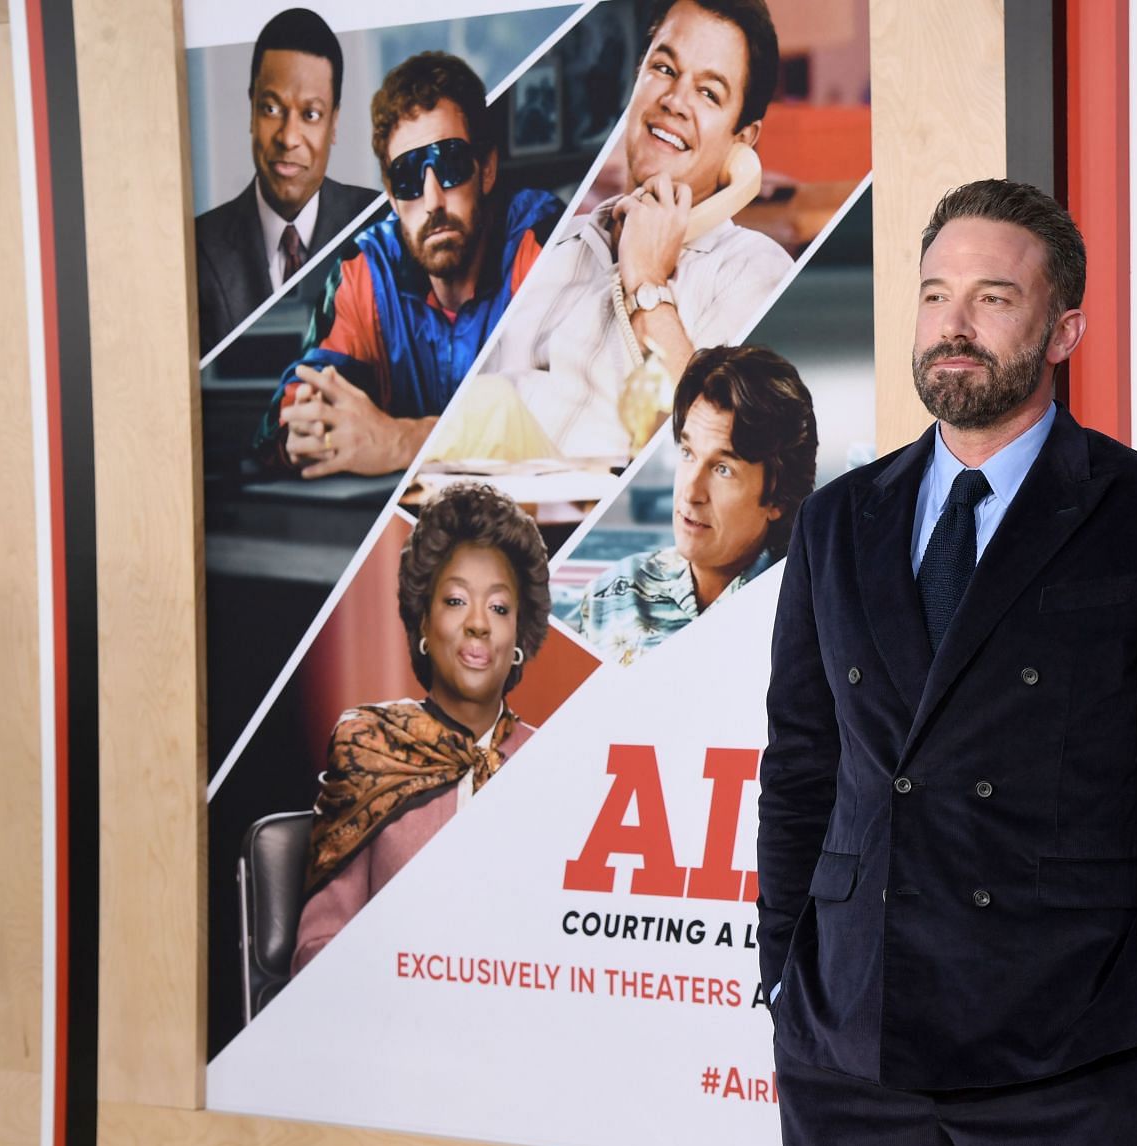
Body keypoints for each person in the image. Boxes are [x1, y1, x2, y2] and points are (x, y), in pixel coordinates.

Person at [755, 179, 1137, 1146]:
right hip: (853, 1039)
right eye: (937, 293)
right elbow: (802, 757)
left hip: (1067, 1043)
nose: (954, 323)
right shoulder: (840, 518)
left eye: (993, 296)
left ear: (1062, 328)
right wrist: (781, 968)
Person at [484, 0, 794, 457]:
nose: (674, 101)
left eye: (709, 93)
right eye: (665, 69)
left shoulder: (754, 274)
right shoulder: (548, 247)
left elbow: (712, 447)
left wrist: (648, 284)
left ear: (742, 141)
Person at [253, 52, 565, 477]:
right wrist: (305, 426)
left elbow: (574, 420)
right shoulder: (364, 272)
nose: (433, 200)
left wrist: (404, 440)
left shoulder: (541, 242)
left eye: (451, 165)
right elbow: (283, 419)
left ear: (486, 169)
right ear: (392, 197)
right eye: (408, 177)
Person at [291, 483, 552, 973]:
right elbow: (318, 947)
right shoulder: (370, 746)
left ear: (518, 635)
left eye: (499, 608)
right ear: (425, 627)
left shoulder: (551, 764)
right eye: (455, 601)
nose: (478, 623)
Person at [573, 345, 817, 664]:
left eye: (722, 469)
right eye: (688, 453)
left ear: (778, 498)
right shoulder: (610, 596)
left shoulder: (805, 608)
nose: (690, 493)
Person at [194, 9, 381, 354]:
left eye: (310, 115)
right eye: (271, 109)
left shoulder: (380, 224)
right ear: (251, 109)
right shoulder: (199, 247)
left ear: (334, 123)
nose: (289, 137)